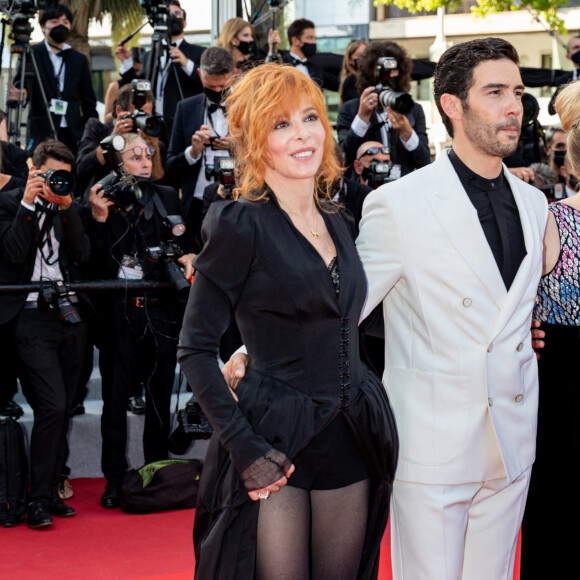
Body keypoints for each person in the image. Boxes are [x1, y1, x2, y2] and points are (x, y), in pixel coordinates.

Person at [224, 37, 548, 580]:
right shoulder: (400, 204)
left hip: (511, 441)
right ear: (452, 104)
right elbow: (342, 300)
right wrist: (252, 349)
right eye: (494, 92)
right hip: (435, 443)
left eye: (516, 92)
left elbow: (511, 308)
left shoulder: (536, 205)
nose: (513, 106)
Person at [177, 63, 397, 580]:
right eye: (280, 125)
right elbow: (193, 348)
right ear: (255, 140)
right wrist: (246, 447)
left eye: (309, 118)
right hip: (274, 442)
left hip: (353, 434)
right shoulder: (238, 222)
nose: (303, 135)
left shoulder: (340, 220)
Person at [86, 132, 195, 509]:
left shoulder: (166, 196)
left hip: (161, 310)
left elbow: (187, 241)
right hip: (120, 313)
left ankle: (156, 470)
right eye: (135, 156)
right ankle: (114, 479)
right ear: (118, 164)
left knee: (159, 398)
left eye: (148, 153)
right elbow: (93, 262)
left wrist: (187, 255)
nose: (145, 160)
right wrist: (99, 220)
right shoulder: (104, 199)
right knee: (115, 402)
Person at [0, 139, 91, 528]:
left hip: (68, 315)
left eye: (65, 177)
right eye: (52, 175)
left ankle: (51, 488)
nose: (58, 182)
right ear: (34, 170)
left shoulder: (66, 205)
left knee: (64, 406)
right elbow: (14, 254)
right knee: (52, 406)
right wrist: (27, 204)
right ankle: (37, 499)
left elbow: (83, 254)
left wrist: (69, 211)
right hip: (30, 317)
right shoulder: (7, 204)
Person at [522, 79, 580, 579]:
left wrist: (531, 329)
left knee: (557, 505)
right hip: (558, 379)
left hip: (560, 384)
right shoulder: (546, 218)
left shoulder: (549, 220)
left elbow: (512, 305)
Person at [166, 47, 234, 252]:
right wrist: (192, 152)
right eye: (209, 86)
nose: (215, 92)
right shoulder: (186, 108)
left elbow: (267, 157)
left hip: (239, 201)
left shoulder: (251, 108)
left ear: (234, 76)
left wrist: (236, 147)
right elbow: (169, 167)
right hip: (195, 204)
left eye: (221, 87)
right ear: (199, 75)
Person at [10, 4, 98, 154]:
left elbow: (89, 101)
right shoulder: (32, 54)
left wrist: (89, 132)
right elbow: (23, 85)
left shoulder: (79, 59)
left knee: (72, 175)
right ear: (43, 26)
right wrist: (22, 94)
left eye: (65, 22)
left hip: (74, 134)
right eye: (55, 21)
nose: (61, 25)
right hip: (42, 132)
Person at [336, 40, 431, 177]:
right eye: (382, 69)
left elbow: (424, 163)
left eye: (393, 69)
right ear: (369, 71)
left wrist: (408, 134)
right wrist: (362, 119)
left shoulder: (413, 110)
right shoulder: (350, 109)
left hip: (402, 189)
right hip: (366, 190)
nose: (388, 75)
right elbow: (344, 158)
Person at [116, 1, 204, 134]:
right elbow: (138, 86)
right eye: (168, 14)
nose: (172, 17)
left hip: (182, 124)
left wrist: (186, 63)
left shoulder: (198, 53)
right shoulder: (150, 55)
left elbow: (209, 81)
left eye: (177, 13)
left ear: (184, 22)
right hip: (152, 124)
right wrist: (127, 63)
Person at [76, 83, 164, 198]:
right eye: (137, 114)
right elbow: (82, 169)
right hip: (103, 199)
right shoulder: (98, 130)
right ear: (119, 110)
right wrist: (112, 139)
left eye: (147, 115)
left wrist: (154, 148)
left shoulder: (153, 141)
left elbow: (159, 180)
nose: (143, 119)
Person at [281, 18, 339, 91]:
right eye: (309, 38)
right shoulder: (281, 65)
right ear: (295, 41)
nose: (313, 42)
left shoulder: (316, 67)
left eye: (314, 38)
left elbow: (339, 84)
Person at [215, 17, 280, 74]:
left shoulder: (252, 62)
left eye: (251, 35)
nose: (251, 39)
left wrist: (272, 48)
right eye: (246, 35)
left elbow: (265, 73)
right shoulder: (220, 63)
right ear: (233, 39)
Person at [339, 39, 367, 105]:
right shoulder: (352, 80)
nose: (365, 58)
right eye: (359, 55)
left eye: (366, 54)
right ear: (350, 60)